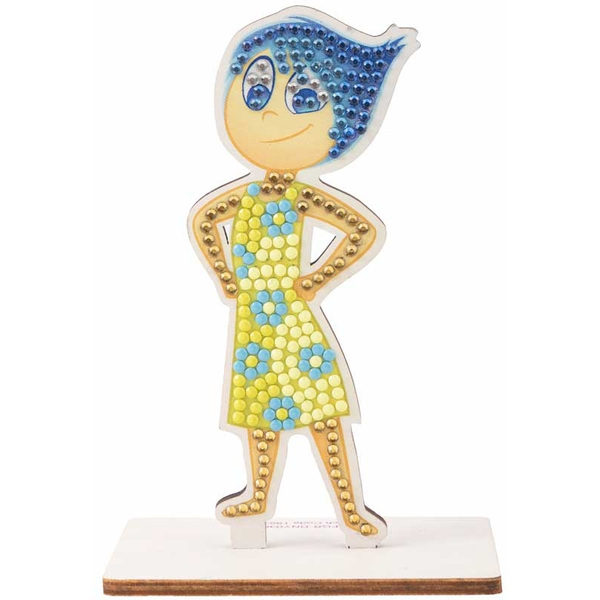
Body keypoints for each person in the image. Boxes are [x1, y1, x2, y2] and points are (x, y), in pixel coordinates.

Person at [188, 7, 418, 548]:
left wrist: (317, 279)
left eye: (304, 99)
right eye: (256, 90)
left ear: (341, 129)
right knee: (259, 412)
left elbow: (362, 230)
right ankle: (257, 498)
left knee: (322, 408)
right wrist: (225, 276)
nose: (270, 114)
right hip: (253, 321)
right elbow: (203, 221)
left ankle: (350, 510)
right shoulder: (245, 194)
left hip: (292, 318)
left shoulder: (300, 196)